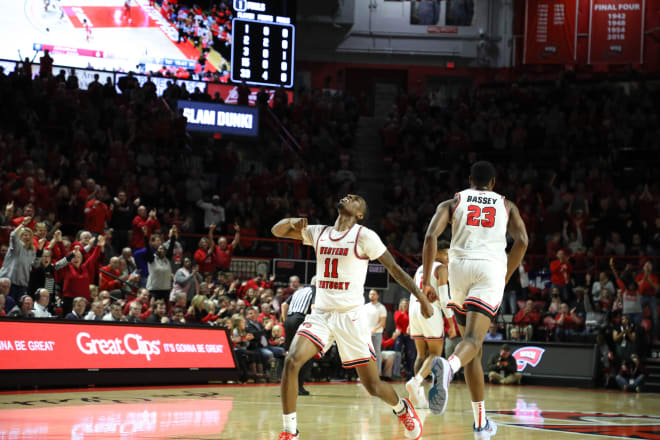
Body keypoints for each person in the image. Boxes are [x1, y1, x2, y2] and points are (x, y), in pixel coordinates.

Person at [271, 193, 433, 440]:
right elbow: (277, 231)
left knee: (372, 386)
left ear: (360, 214)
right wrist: (293, 220)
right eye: (347, 196)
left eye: (355, 198)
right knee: (292, 361)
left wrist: (421, 297)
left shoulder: (365, 236)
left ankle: (402, 408)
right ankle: (290, 432)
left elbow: (395, 269)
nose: (348, 197)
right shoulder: (318, 232)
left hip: (351, 318)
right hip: (321, 315)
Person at [422, 161, 528, 438]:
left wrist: (425, 281)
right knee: (472, 341)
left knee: (474, 351)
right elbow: (523, 241)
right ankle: (448, 367)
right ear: (493, 183)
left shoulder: (453, 201)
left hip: (459, 268)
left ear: (470, 180)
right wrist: (505, 274)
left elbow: (431, 236)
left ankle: (481, 423)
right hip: (489, 268)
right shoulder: (508, 205)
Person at [406, 240, 454, 409]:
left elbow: (412, 288)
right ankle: (416, 382)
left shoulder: (420, 269)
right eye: (446, 254)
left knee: (421, 354)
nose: (448, 257)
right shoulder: (441, 268)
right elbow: (445, 299)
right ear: (437, 253)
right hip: (429, 310)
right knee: (435, 353)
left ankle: (416, 395)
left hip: (413, 307)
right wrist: (452, 324)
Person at [281, 277, 316, 395]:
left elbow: (284, 305)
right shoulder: (315, 290)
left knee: (290, 354)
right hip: (301, 320)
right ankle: (299, 387)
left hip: (289, 320)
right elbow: (313, 307)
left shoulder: (298, 291)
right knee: (307, 355)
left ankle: (285, 386)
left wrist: (286, 321)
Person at [0, 217, 37, 301]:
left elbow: (36, 265)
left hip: (22, 285)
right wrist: (23, 224)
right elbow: (13, 235)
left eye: (29, 235)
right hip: (8, 283)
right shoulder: (17, 246)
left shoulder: (32, 251)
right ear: (20, 236)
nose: (27, 237)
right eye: (25, 235)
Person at [363, 289, 387, 375]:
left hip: (377, 334)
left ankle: (377, 373)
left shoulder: (381, 307)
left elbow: (382, 323)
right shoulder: (365, 307)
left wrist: (374, 330)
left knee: (376, 352)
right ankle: (367, 374)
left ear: (377, 296)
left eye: (373, 294)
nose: (371, 296)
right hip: (366, 334)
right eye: (370, 294)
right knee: (365, 353)